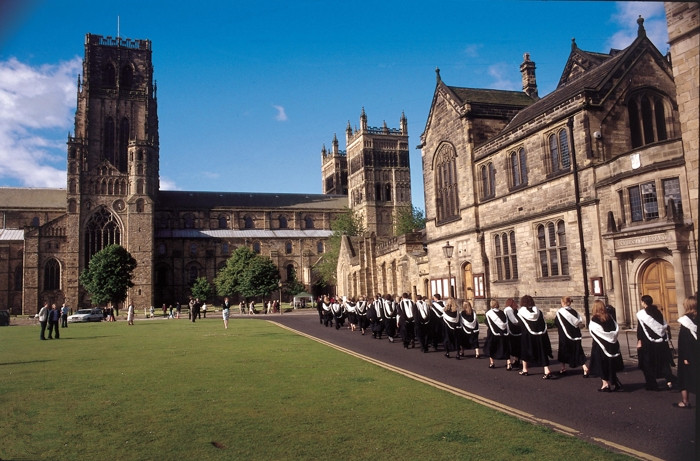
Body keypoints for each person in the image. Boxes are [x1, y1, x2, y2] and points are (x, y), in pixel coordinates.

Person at [636, 295, 674, 391]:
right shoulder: (658, 312)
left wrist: (639, 340)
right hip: (661, 342)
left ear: (643, 302)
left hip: (648, 343)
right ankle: (669, 380)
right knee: (663, 361)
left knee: (648, 363)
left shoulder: (642, 314)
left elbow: (640, 329)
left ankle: (652, 384)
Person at [588, 299, 624, 392]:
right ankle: (615, 382)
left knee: (602, 365)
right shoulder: (610, 317)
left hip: (600, 346)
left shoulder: (595, 319)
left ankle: (605, 384)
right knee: (610, 365)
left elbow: (595, 332)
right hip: (612, 345)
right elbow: (614, 330)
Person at [517, 295, 553, 378]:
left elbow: (520, 324)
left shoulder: (521, 312)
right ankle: (546, 370)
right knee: (542, 352)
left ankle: (525, 369)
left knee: (525, 351)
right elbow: (542, 322)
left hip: (527, 335)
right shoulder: (538, 311)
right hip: (540, 335)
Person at [555, 296, 589, 376]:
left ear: (563, 303)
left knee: (563, 351)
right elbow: (578, 322)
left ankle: (563, 368)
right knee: (578, 351)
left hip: (565, 335)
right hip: (576, 334)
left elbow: (556, 322)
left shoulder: (560, 312)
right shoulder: (574, 312)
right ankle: (584, 367)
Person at [675, 296, 697, 408]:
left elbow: (684, 341)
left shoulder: (685, 321)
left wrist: (685, 357)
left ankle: (685, 401)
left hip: (688, 354)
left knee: (684, 377)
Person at [483, 299, 510, 369]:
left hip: (493, 333)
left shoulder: (489, 313)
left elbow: (487, 322)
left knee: (491, 347)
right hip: (503, 333)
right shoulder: (502, 312)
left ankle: (492, 363)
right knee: (505, 347)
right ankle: (508, 363)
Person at [503, 298, 521, 370]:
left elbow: (513, 320)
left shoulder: (508, 310)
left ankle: (513, 361)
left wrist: (518, 323)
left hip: (511, 330)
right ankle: (516, 360)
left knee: (512, 346)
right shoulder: (515, 310)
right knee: (517, 345)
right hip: (518, 330)